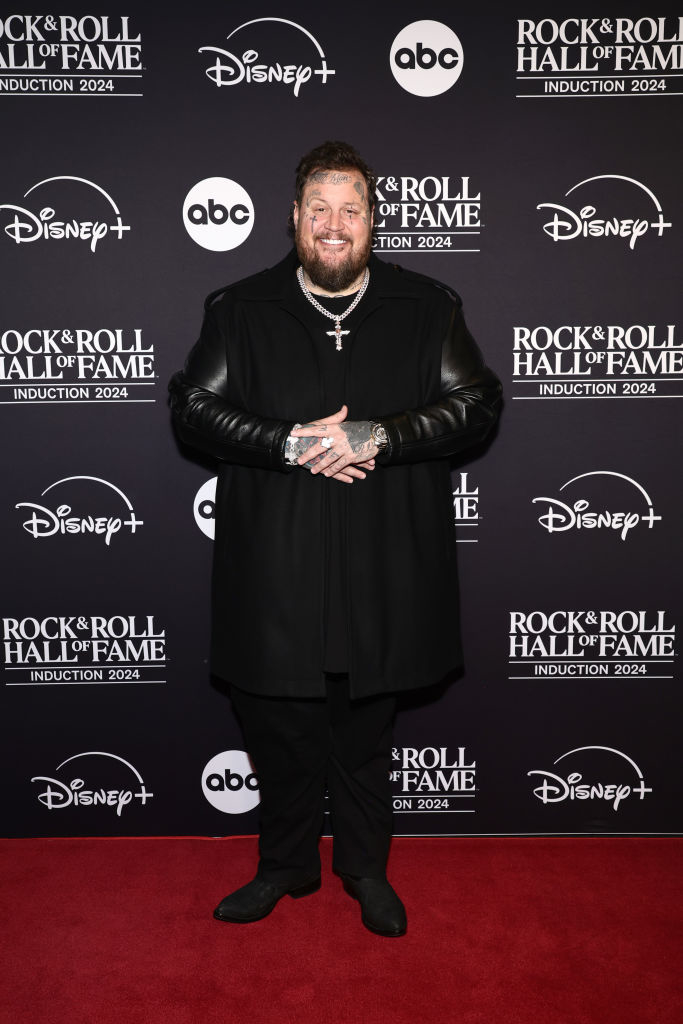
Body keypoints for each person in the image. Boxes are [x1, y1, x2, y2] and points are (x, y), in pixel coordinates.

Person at [169, 140, 501, 937]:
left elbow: (476, 403)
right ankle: (284, 867)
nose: (333, 224)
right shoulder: (238, 309)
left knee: (363, 730)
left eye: (349, 209)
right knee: (277, 729)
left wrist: (377, 436)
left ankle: (363, 868)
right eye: (318, 208)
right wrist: (289, 442)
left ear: (373, 223)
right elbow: (191, 408)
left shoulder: (427, 306)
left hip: (384, 564)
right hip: (274, 570)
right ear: (292, 219)